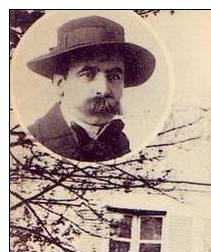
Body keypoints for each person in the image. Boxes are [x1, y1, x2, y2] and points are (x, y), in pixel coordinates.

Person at [26, 15, 156, 162]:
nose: (104, 89)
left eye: (114, 76)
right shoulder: (30, 142)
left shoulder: (121, 144)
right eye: (88, 74)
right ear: (60, 83)